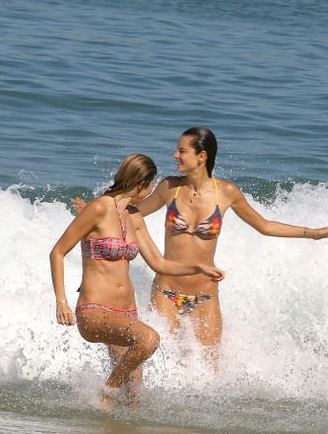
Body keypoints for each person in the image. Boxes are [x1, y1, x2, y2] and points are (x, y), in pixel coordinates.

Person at [73, 127, 328, 365]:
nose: (175, 156)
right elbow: (131, 213)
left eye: (182, 151)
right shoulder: (170, 187)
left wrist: (313, 233)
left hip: (206, 296)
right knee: (162, 359)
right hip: (166, 292)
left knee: (210, 366)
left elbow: (265, 226)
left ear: (201, 156)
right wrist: (94, 221)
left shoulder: (226, 193)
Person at [50, 154, 224, 409]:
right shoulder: (99, 208)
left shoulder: (133, 216)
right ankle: (106, 391)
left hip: (126, 312)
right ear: (142, 184)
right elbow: (57, 252)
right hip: (95, 309)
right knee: (148, 340)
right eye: (152, 184)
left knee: (134, 393)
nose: (154, 190)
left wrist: (197, 266)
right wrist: (61, 301)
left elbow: (159, 262)